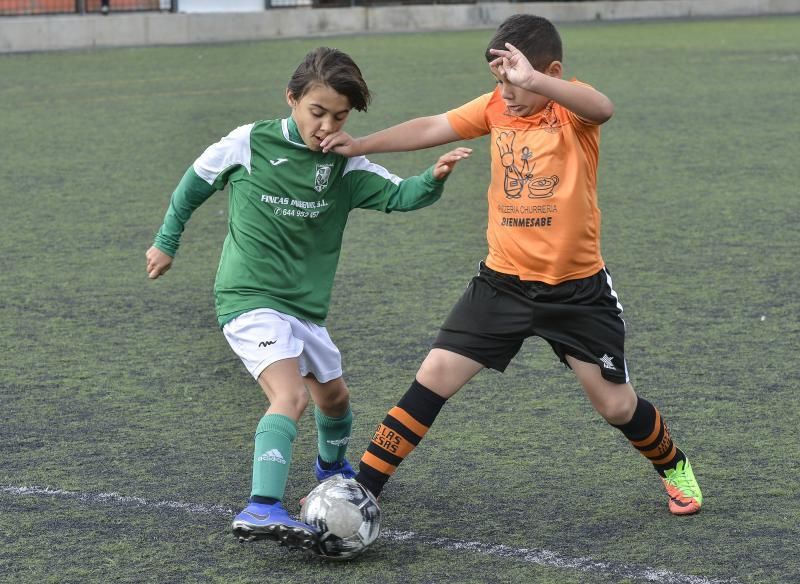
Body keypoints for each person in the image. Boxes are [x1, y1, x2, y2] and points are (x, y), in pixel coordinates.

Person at [320, 15, 703, 516]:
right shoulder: (497, 107)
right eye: (499, 80)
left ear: (551, 72)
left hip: (577, 292)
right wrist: (362, 144)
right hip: (502, 284)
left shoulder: (571, 112)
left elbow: (603, 108)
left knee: (616, 406)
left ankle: (673, 466)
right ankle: (361, 490)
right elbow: (434, 125)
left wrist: (534, 82)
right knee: (434, 375)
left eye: (514, 79)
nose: (506, 92)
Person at [145, 46, 471, 551]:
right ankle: (261, 506)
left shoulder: (346, 164)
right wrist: (166, 242)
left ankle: (332, 473)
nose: (326, 125)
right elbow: (194, 186)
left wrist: (434, 177)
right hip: (249, 299)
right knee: (290, 396)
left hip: (304, 308)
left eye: (339, 116)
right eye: (317, 112)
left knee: (335, 399)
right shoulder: (249, 143)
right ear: (292, 99)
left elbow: (401, 196)